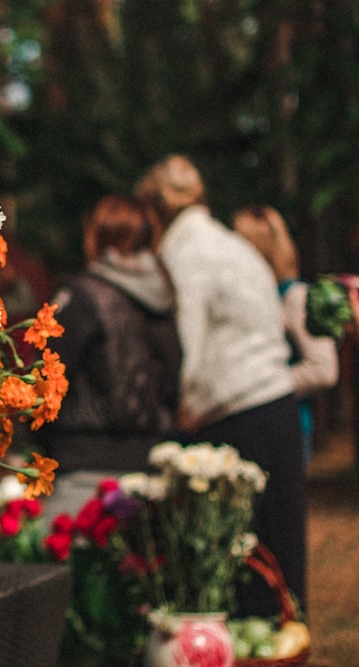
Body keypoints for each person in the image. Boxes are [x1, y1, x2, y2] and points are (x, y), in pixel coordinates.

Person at [135, 155, 305, 618]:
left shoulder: (183, 255)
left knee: (242, 562)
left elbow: (185, 345)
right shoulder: (232, 244)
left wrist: (175, 418)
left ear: (154, 209)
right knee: (282, 556)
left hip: (237, 417)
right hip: (277, 406)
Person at [36, 194, 181, 521]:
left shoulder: (82, 295)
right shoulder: (166, 297)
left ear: (95, 235)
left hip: (85, 475)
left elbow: (46, 378)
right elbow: (173, 380)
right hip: (150, 473)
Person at [233, 205, 339, 465]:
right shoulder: (253, 297)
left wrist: (263, 388)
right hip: (249, 424)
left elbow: (323, 368)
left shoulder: (295, 297)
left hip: (286, 426)